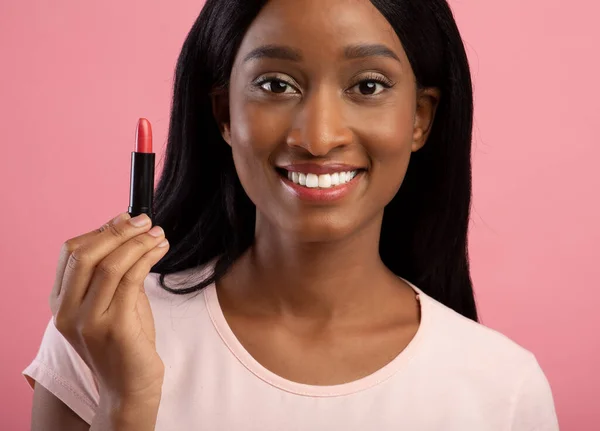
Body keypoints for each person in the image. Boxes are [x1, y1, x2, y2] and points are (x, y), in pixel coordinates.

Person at [23, 0, 560, 429]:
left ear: (420, 119)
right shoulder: (105, 334)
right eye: (276, 85)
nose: (319, 136)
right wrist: (125, 404)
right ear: (224, 114)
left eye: (367, 86)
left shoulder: (502, 389)